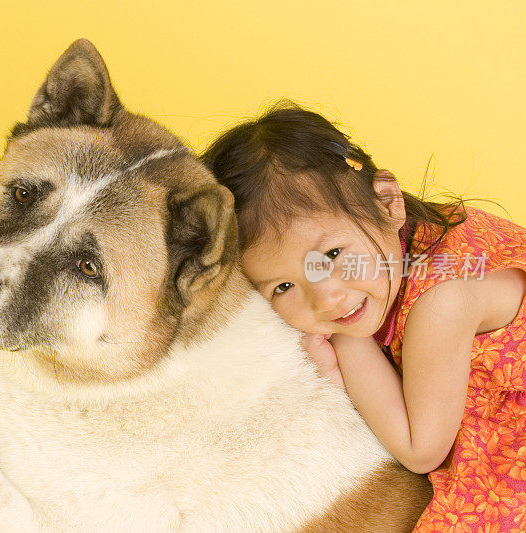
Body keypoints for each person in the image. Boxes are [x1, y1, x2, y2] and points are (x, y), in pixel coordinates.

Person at [202, 102, 526, 531]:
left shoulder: (441, 301)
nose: (327, 298)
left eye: (332, 256)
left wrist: (345, 341)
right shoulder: (390, 250)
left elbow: (420, 449)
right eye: (283, 287)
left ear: (389, 203)